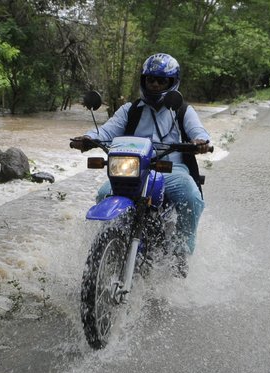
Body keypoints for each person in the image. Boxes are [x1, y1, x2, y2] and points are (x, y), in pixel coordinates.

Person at [74, 53, 211, 265]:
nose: (155, 85)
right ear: (143, 80)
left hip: (170, 169)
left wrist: (200, 142)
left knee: (191, 196)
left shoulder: (182, 110)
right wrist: (88, 139)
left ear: (172, 83)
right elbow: (106, 131)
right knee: (103, 193)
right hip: (134, 168)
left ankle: (182, 252)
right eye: (151, 79)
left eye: (161, 81)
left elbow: (198, 131)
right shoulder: (130, 110)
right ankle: (112, 242)